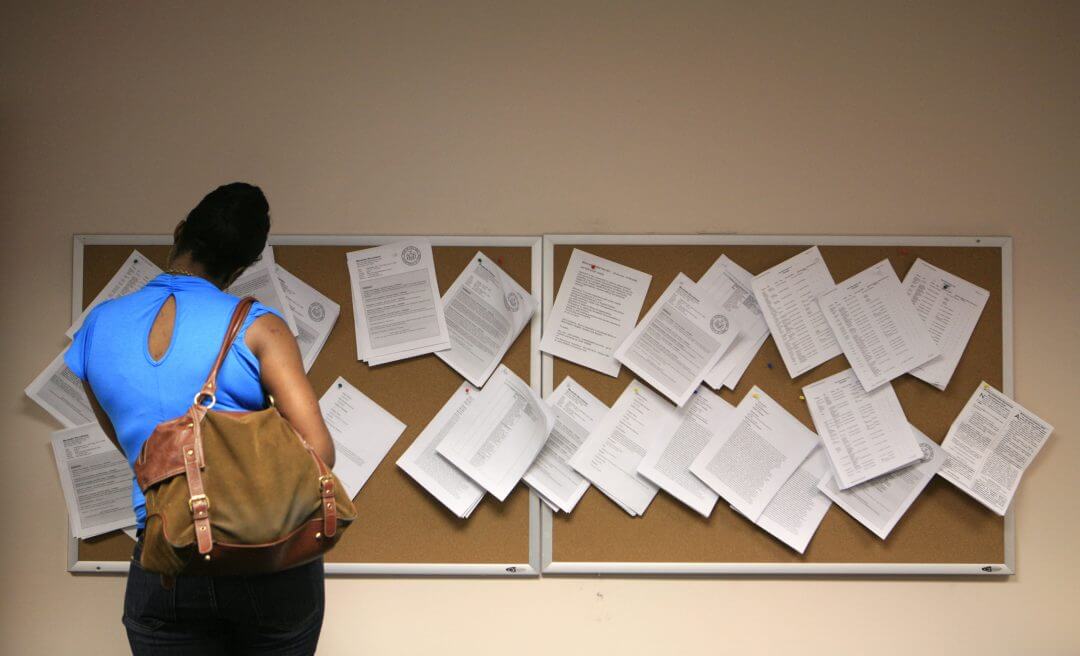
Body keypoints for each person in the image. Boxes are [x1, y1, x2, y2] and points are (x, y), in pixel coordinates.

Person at [65, 182, 335, 655]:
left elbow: (133, 447)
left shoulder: (98, 326)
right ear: (242, 267)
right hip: (265, 564)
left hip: (166, 560)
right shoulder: (260, 326)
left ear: (180, 232)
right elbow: (320, 454)